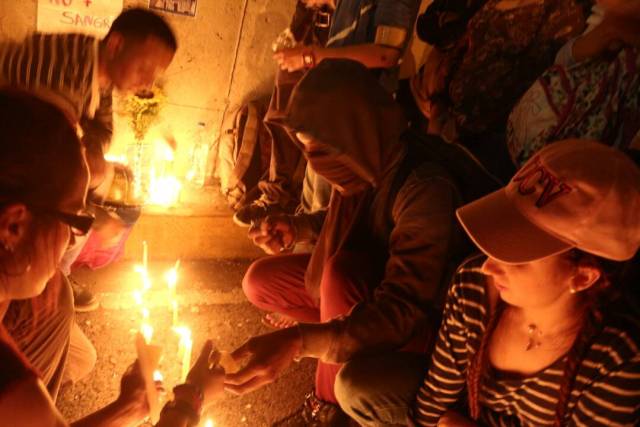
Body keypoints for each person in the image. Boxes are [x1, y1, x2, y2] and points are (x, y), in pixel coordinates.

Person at [225, 60, 495, 426]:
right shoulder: (365, 158)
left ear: (354, 131)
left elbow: (405, 308)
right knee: (260, 281)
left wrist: (299, 342)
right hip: (370, 279)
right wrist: (297, 228)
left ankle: (325, 409)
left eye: (319, 149)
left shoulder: (423, 188)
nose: (315, 163)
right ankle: (332, 336)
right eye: (306, 150)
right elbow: (352, 220)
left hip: (419, 321)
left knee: (337, 274)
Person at [0, 89, 224, 427]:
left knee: (54, 295)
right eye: (75, 221)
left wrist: (128, 408)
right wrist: (189, 405)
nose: (74, 238)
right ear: (14, 226)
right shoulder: (10, 382)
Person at [412, 139, 640, 426]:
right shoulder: (473, 289)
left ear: (582, 277)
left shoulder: (614, 359)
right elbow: (434, 398)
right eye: (501, 237)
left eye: (516, 257)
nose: (488, 266)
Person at [0, 7, 177, 311]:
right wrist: (98, 214)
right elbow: (55, 162)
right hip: (12, 166)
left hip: (28, 156)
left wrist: (92, 158)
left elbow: (103, 132)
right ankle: (34, 287)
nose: (149, 83)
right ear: (117, 44)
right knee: (80, 199)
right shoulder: (59, 72)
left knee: (104, 179)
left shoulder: (95, 66)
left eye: (156, 74)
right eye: (146, 67)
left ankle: (54, 278)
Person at [233, 0, 421, 227]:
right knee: (312, 201)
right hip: (328, 110)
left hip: (352, 117)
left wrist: (311, 57)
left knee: (329, 211)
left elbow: (386, 55)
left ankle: (308, 244)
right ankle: (294, 229)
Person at [507, 0, 640, 166]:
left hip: (592, 167)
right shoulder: (612, 16)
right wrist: (607, 32)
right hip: (537, 143)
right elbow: (564, 65)